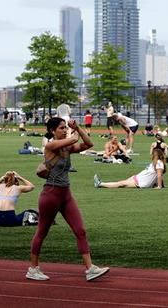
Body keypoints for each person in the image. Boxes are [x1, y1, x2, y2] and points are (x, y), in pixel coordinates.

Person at [27, 117, 109, 282]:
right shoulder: (50, 145)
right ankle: (33, 269)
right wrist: (73, 132)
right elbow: (72, 139)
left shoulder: (67, 148)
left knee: (80, 230)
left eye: (65, 127)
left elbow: (89, 144)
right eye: (61, 128)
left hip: (66, 194)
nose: (64, 130)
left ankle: (90, 269)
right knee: (42, 232)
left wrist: (77, 127)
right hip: (50, 194)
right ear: (52, 131)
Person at [94, 149, 167, 189]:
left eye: (153, 154)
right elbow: (158, 175)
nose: (152, 155)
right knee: (121, 182)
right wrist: (161, 185)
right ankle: (101, 183)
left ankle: (100, 184)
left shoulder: (159, 163)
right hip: (138, 178)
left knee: (121, 184)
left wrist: (159, 186)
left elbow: (159, 175)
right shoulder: (156, 162)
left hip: (140, 182)